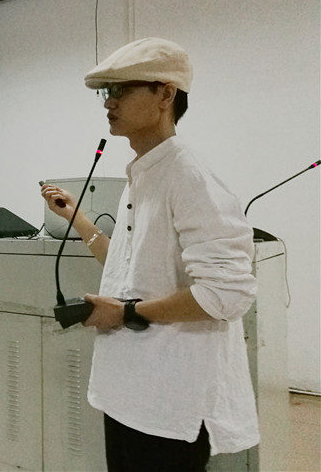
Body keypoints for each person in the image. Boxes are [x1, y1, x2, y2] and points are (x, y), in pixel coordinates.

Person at [41, 38, 259, 472]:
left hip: (169, 403)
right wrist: (77, 217)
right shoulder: (143, 175)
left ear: (165, 94)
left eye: (122, 90)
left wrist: (125, 312)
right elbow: (127, 266)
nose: (110, 102)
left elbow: (227, 293)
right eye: (107, 92)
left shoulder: (188, 176)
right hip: (128, 392)